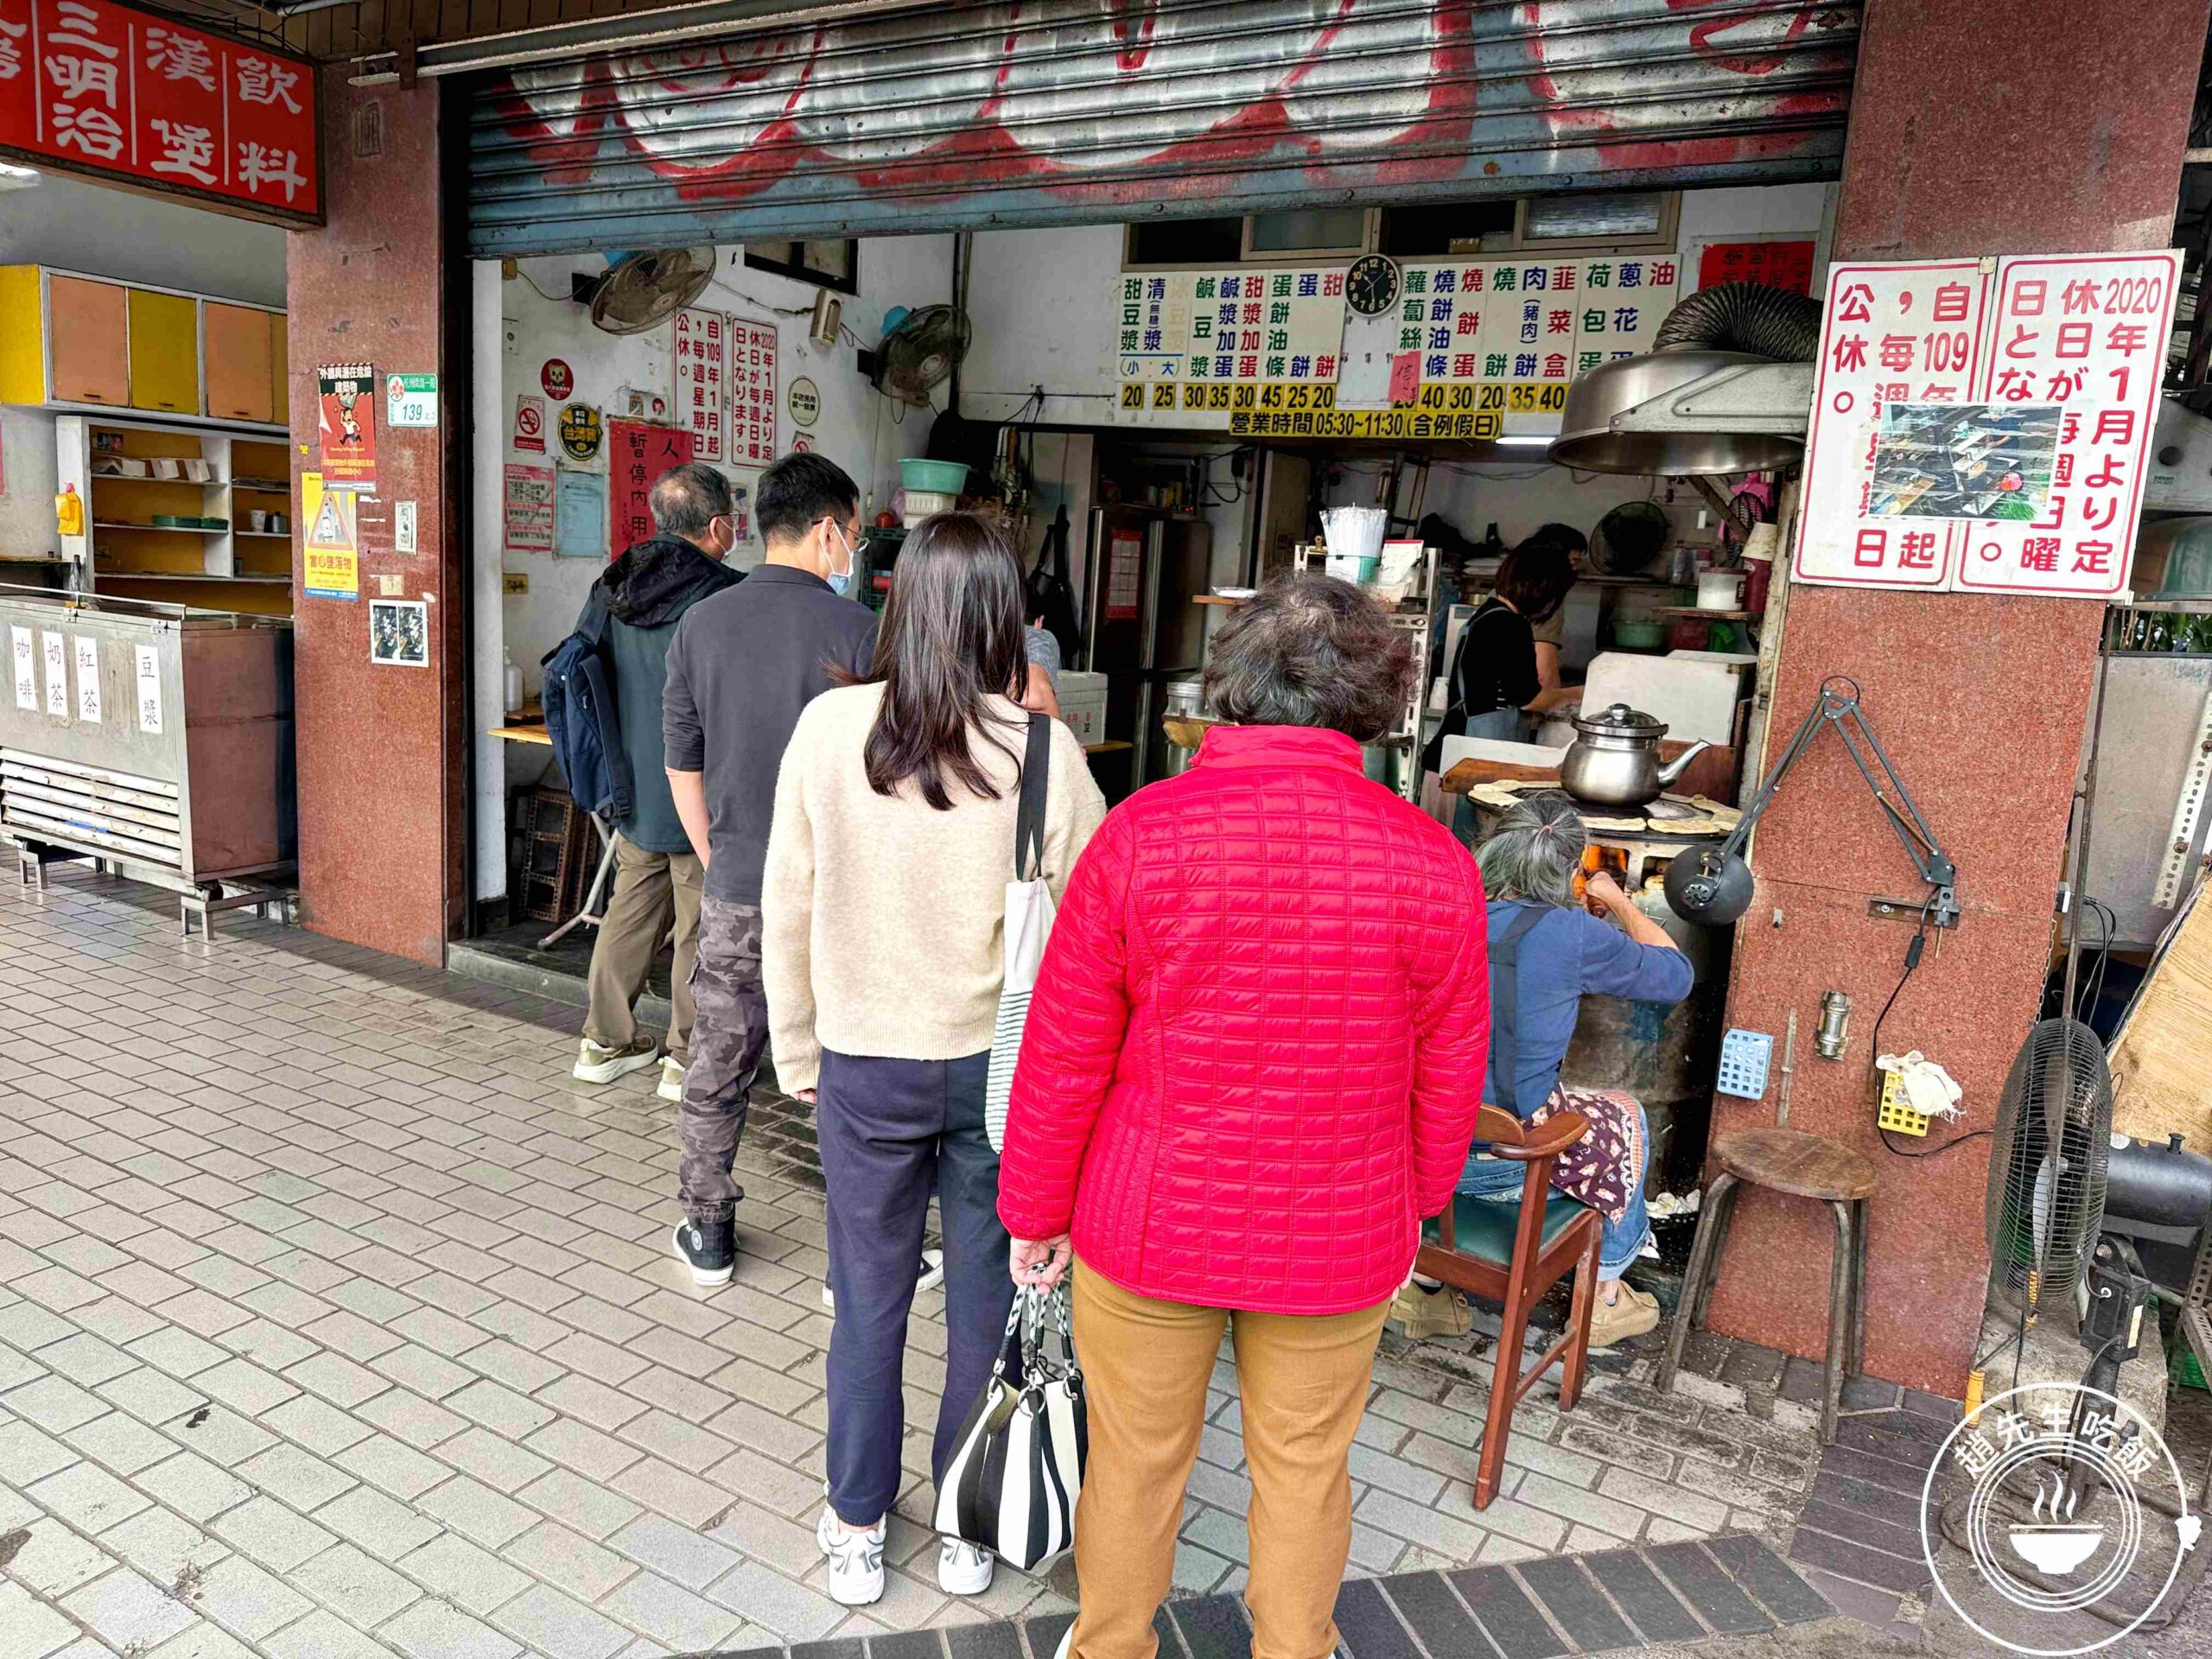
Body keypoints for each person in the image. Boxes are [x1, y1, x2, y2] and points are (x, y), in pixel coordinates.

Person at [997, 573, 1490, 1659]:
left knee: (1134, 1459)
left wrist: (1033, 1210)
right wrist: (1417, 1206)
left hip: (1148, 1219)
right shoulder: (1436, 865)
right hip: (1340, 1228)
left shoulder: (1139, 837)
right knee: (1307, 1466)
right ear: (1374, 699)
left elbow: (1064, 1049)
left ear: (1229, 686)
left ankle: (1113, 1645)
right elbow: (1451, 1068)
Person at [761, 512, 1106, 1607]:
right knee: (983, 1305)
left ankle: (858, 1528)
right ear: (1009, 618)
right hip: (1002, 1080)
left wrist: (795, 1041)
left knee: (866, 1297)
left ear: (896, 602)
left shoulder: (829, 729)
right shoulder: (1044, 754)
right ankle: (966, 1527)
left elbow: (788, 899)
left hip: (862, 1062)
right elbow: (1095, 935)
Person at [661, 453, 879, 1287]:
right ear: (827, 530)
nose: (849, 549)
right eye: (852, 535)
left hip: (742, 883)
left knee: (720, 1057)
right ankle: (854, 1261)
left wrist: (723, 861)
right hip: (841, 896)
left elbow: (684, 766)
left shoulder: (701, 626)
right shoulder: (861, 631)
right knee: (847, 1068)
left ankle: (708, 1230)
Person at [1393, 791, 1693, 1350]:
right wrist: (1614, 899)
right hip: (1507, 1163)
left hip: (1416, 1152)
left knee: (1466, 1094)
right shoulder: (1572, 933)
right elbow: (1676, 974)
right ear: (1570, 871)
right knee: (1625, 1115)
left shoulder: (1445, 911)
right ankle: (1604, 1298)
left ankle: (1425, 1287)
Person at [570, 463, 741, 1102]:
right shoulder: (724, 593)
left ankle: (603, 1042)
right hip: (702, 789)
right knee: (698, 920)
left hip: (634, 784)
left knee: (629, 913)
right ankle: (683, 1055)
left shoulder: (613, 582)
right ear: (719, 524)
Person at [1521, 521, 1588, 710]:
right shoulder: (1547, 602)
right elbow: (1544, 675)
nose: (1575, 570)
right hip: (1514, 714)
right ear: (1553, 559)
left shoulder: (1503, 593)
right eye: (1573, 562)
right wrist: (1566, 701)